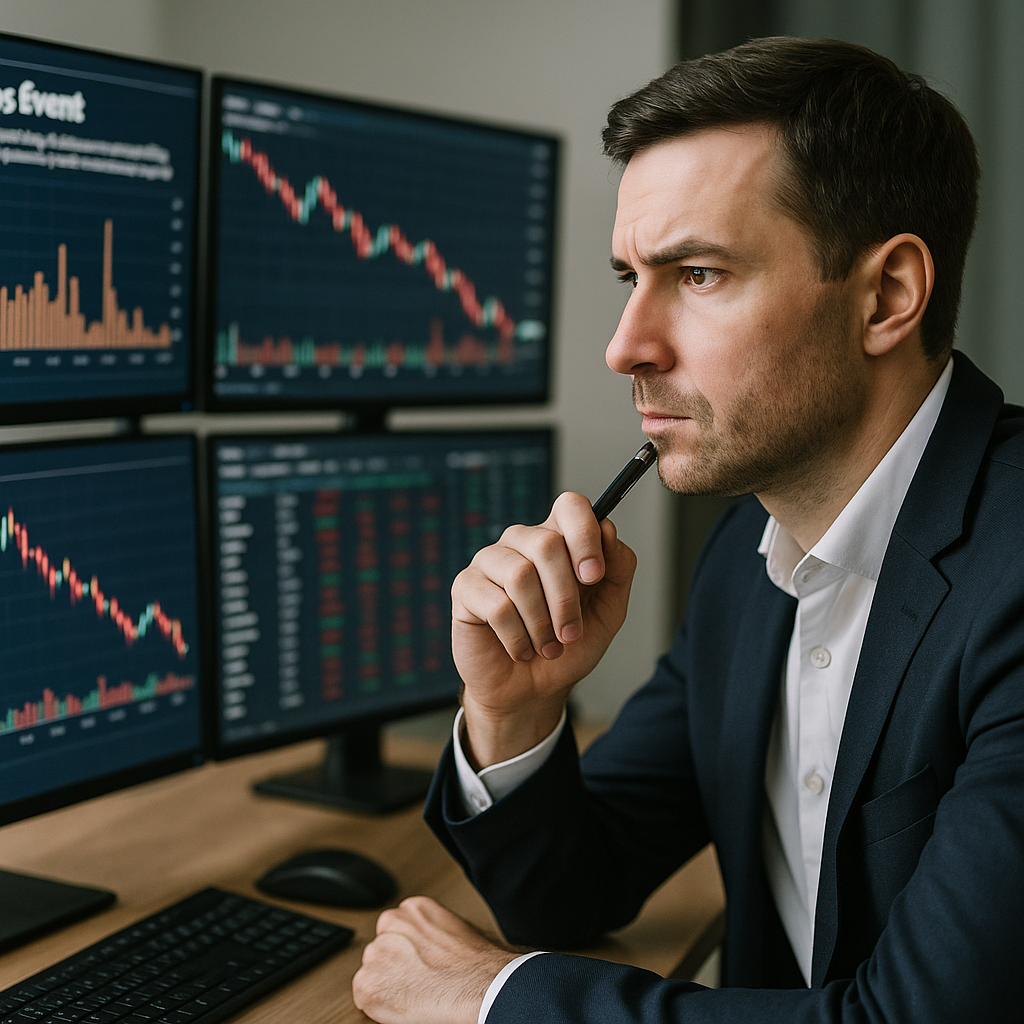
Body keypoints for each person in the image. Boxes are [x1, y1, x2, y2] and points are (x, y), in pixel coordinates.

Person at [353, 36, 1024, 1024]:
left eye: (699, 274)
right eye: (631, 275)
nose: (625, 344)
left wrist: (493, 998)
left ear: (886, 296)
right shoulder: (751, 560)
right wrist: (514, 711)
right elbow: (575, 891)